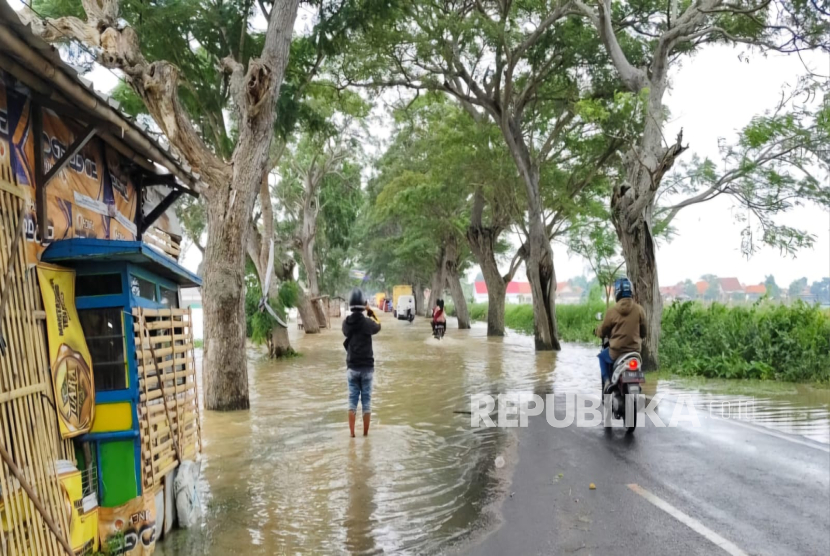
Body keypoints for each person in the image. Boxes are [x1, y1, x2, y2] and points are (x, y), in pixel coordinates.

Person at [595, 278, 647, 390]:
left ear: (617, 293)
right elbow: (643, 333)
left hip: (616, 353)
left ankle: (608, 383)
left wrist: (597, 331)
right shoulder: (640, 310)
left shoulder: (611, 311)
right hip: (634, 352)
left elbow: (603, 331)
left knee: (602, 357)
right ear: (631, 292)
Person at [342, 288, 381, 437]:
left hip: (352, 368)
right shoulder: (367, 323)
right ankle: (365, 434)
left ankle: (352, 435)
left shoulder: (347, 323)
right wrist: (370, 311)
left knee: (352, 402)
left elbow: (344, 331)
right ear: (363, 304)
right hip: (367, 369)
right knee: (367, 403)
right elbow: (379, 325)